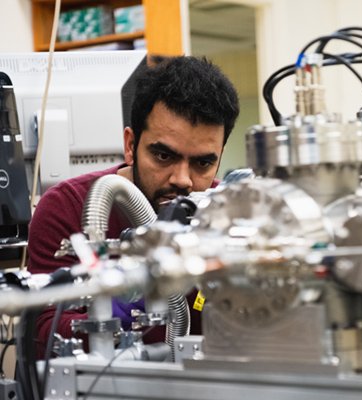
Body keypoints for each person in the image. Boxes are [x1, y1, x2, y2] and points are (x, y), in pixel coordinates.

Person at [27, 55, 240, 352]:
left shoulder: (230, 213)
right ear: (130, 145)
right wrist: (104, 318)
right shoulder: (67, 206)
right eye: (164, 156)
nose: (183, 180)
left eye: (203, 163)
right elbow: (42, 330)